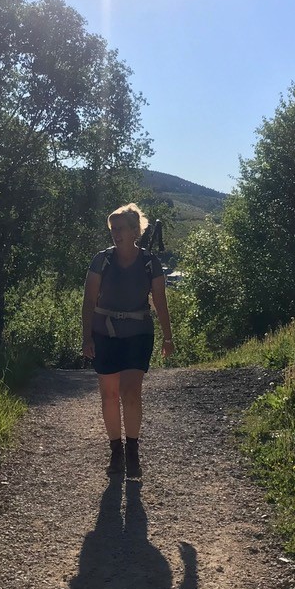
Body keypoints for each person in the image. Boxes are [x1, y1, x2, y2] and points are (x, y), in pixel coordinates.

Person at [81, 203, 174, 479]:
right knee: (109, 395)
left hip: (138, 332)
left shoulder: (150, 262)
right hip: (105, 332)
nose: (116, 234)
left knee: (131, 392)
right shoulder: (101, 260)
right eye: (113, 229)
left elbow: (160, 300)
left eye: (121, 228)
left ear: (136, 231)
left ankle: (132, 452)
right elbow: (89, 300)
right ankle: (115, 452)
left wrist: (168, 336)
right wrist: (86, 336)